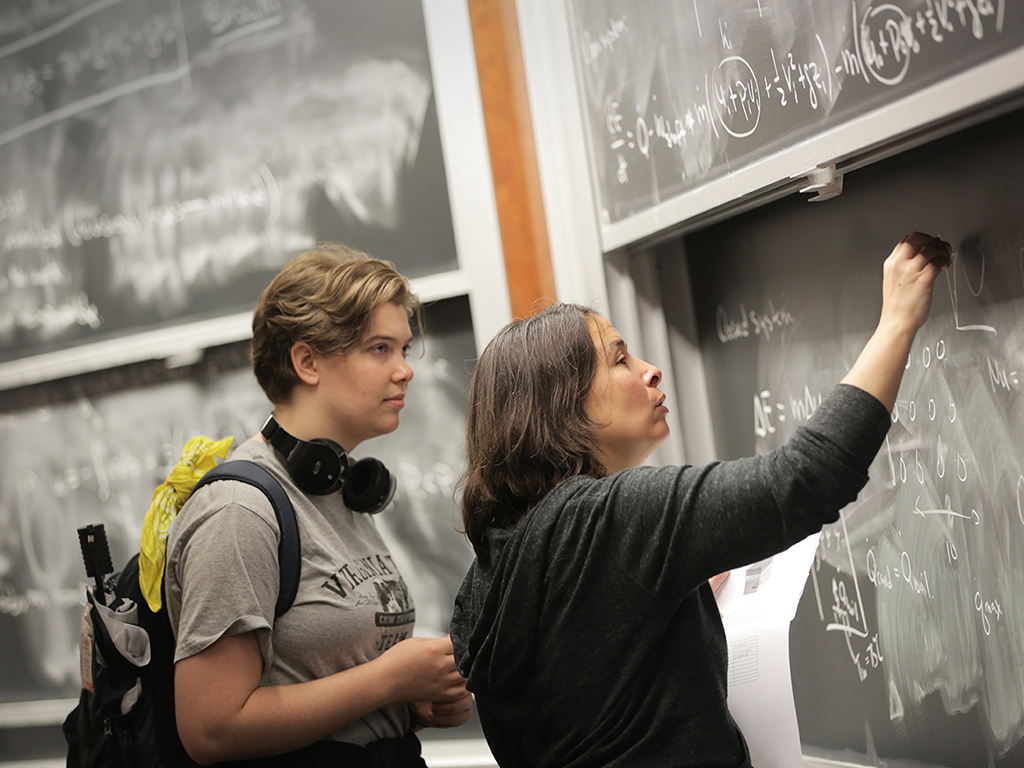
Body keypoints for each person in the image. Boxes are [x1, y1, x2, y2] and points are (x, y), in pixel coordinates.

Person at [449, 233, 952, 767]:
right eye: (620, 360)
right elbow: (805, 481)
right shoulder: (610, 517)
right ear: (562, 408)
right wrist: (897, 323)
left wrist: (657, 606)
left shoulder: (483, 587)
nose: (650, 369)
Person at [164, 242, 472, 767]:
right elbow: (212, 728)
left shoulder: (339, 489)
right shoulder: (239, 513)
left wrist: (408, 702)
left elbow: (326, 679)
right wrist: (387, 680)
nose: (405, 370)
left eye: (403, 350)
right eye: (380, 349)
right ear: (307, 361)